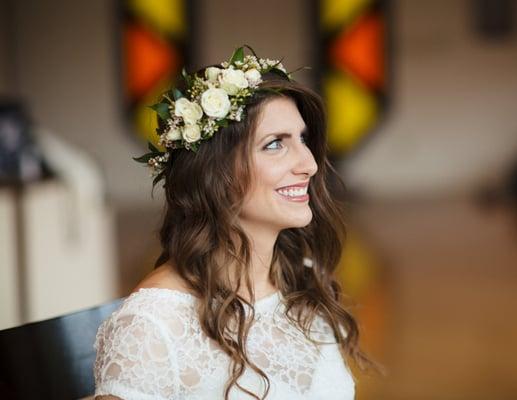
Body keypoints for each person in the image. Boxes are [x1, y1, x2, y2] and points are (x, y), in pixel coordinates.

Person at [93, 46, 376, 400]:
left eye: (303, 140)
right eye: (275, 144)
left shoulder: (299, 278)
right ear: (215, 173)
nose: (309, 164)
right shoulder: (153, 328)